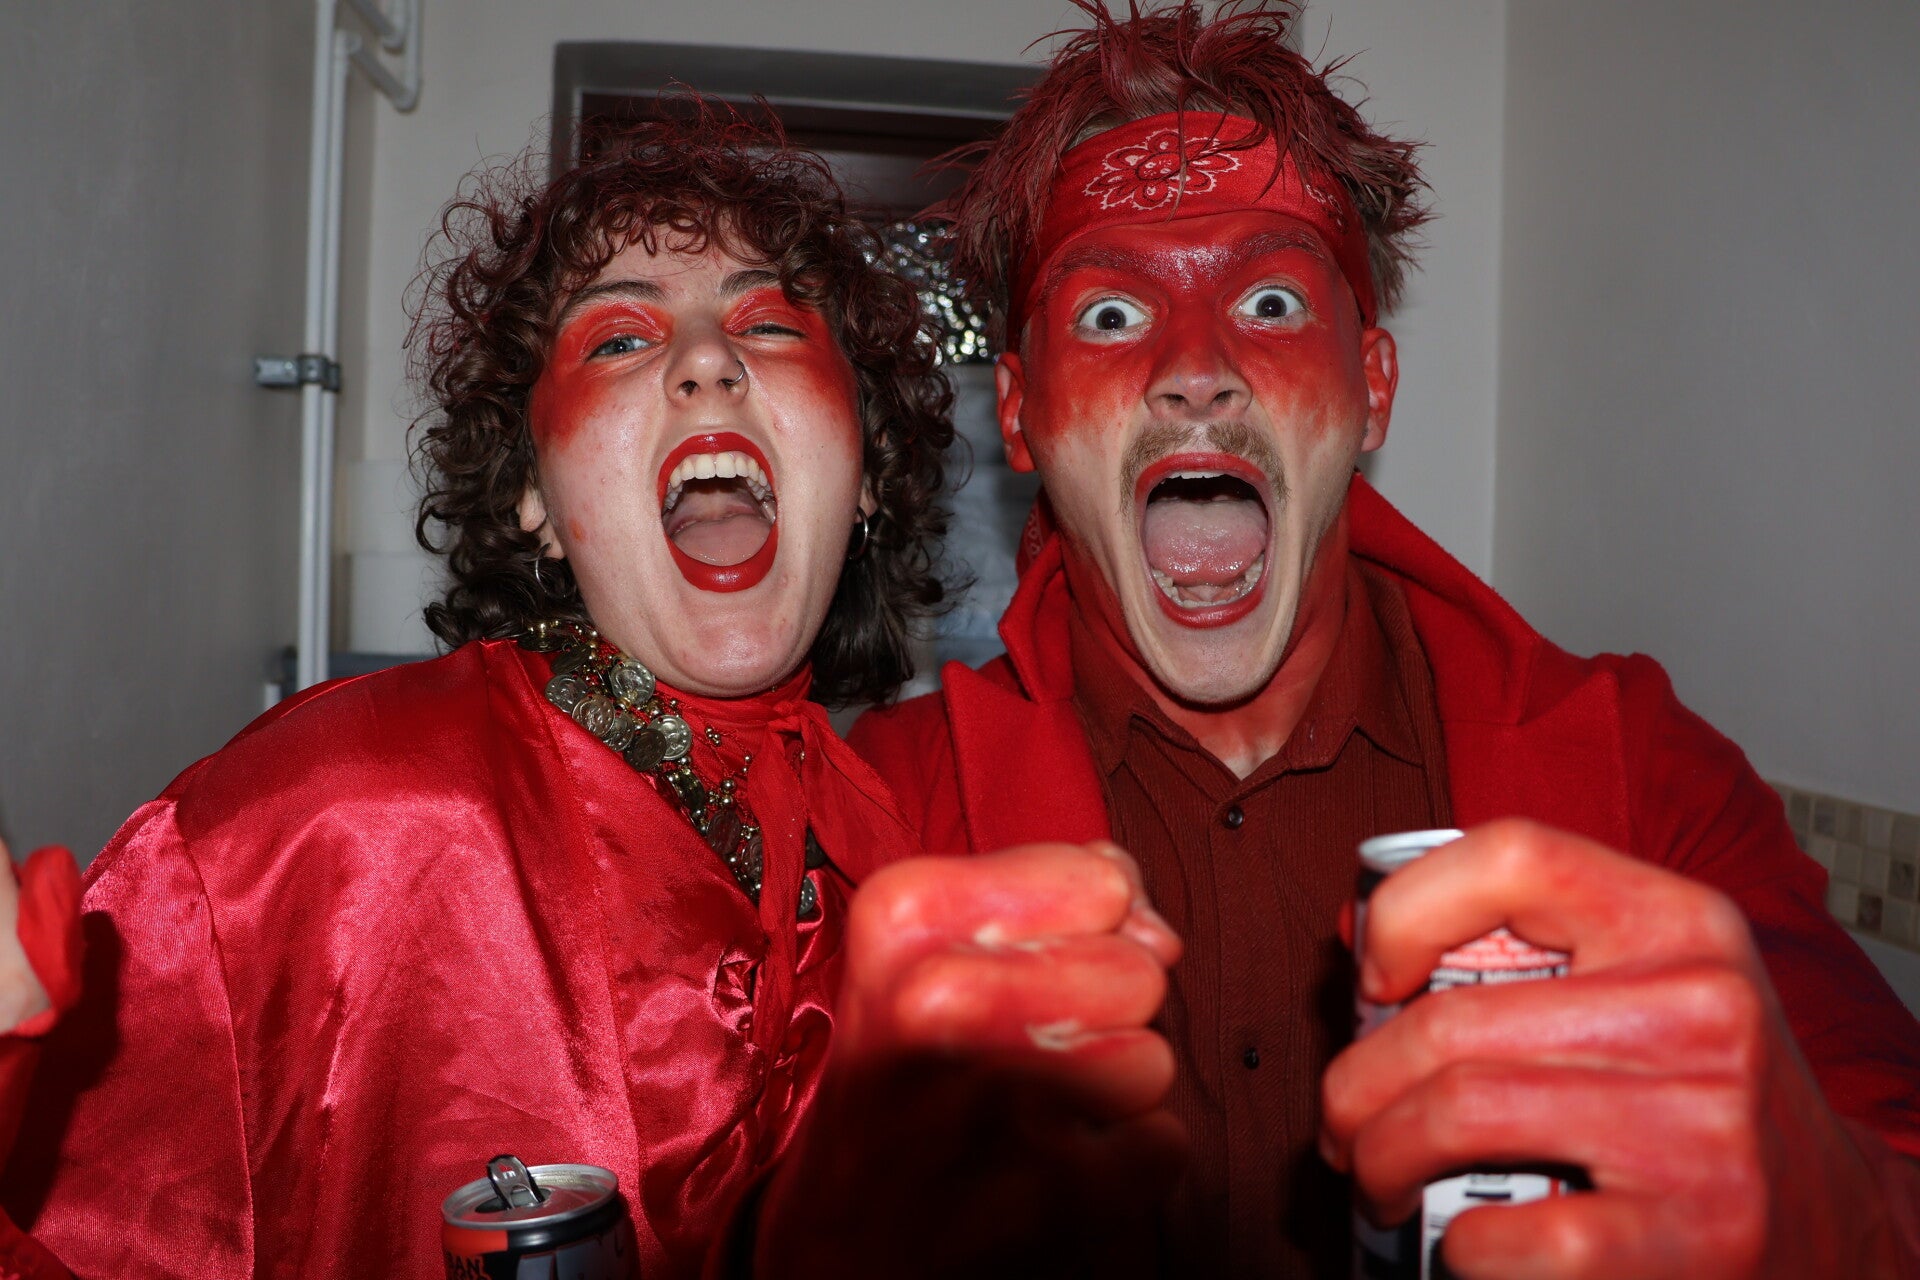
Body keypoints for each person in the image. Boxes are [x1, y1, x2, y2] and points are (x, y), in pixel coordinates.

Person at [0, 107, 1177, 1278]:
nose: (707, 362)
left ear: (863, 470)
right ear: (538, 498)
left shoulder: (905, 854)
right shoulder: (330, 820)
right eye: (616, 340)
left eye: (769, 323)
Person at [849, 3, 1920, 1275]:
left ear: (1374, 387)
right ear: (1022, 417)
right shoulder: (882, 820)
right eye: (1113, 318)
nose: (1197, 368)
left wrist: (1841, 1212)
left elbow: (1885, 1136)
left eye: (1267, 299)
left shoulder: (1641, 771)